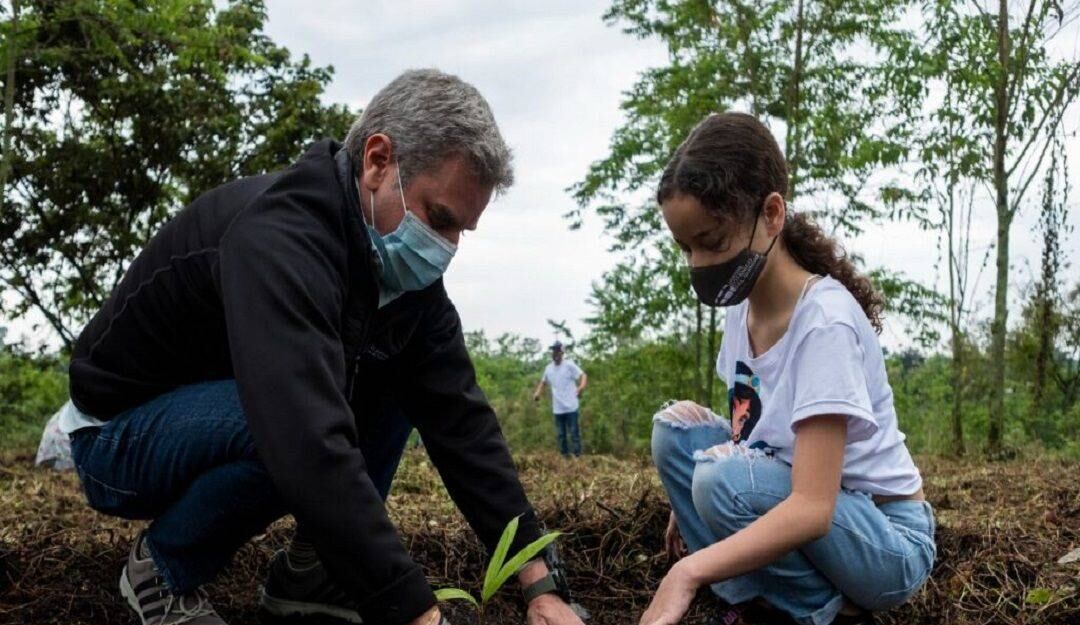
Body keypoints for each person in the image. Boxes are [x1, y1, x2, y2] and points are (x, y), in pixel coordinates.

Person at [61, 69, 585, 625]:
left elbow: (461, 421)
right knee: (285, 427)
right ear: (378, 162)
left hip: (235, 412)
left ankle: (315, 573)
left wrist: (540, 580)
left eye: (462, 232)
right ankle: (162, 571)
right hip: (118, 438)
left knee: (396, 379)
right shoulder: (278, 241)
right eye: (439, 219)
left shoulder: (401, 279)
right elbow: (302, 438)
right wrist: (414, 611)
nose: (446, 249)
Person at [640, 113, 935, 625]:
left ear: (771, 214)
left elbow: (813, 506)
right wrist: (686, 497)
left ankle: (822, 610)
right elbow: (749, 428)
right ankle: (752, 593)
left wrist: (688, 573)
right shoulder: (742, 307)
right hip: (821, 512)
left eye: (712, 242)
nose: (698, 264)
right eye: (686, 248)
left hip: (885, 541)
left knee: (719, 480)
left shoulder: (824, 323)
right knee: (674, 434)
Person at [533, 342, 588, 457]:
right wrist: (538, 393)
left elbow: (583, 375)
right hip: (558, 408)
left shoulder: (569, 365)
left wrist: (581, 387)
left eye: (558, 351)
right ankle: (565, 458)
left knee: (574, 433)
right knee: (561, 435)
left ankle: (578, 457)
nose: (556, 353)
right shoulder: (548, 368)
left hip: (571, 406)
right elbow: (543, 382)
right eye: (554, 351)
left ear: (562, 353)